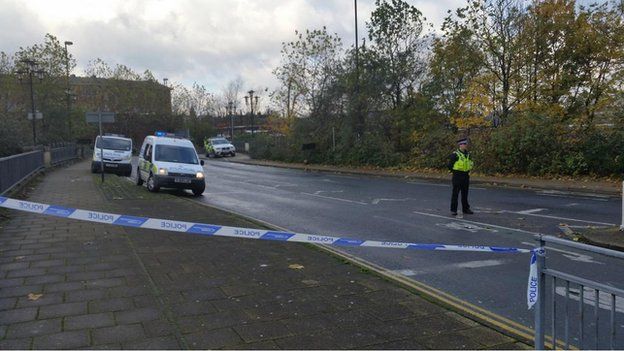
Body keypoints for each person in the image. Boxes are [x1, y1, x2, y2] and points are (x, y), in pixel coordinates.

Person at [448, 138, 474, 216]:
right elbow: (450, 165)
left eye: (466, 144)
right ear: (460, 145)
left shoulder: (468, 154)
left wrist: (469, 171)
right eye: (464, 144)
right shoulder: (455, 154)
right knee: (455, 193)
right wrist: (453, 172)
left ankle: (466, 209)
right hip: (457, 175)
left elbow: (470, 163)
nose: (466, 146)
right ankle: (453, 210)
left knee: (465, 193)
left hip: (466, 175)